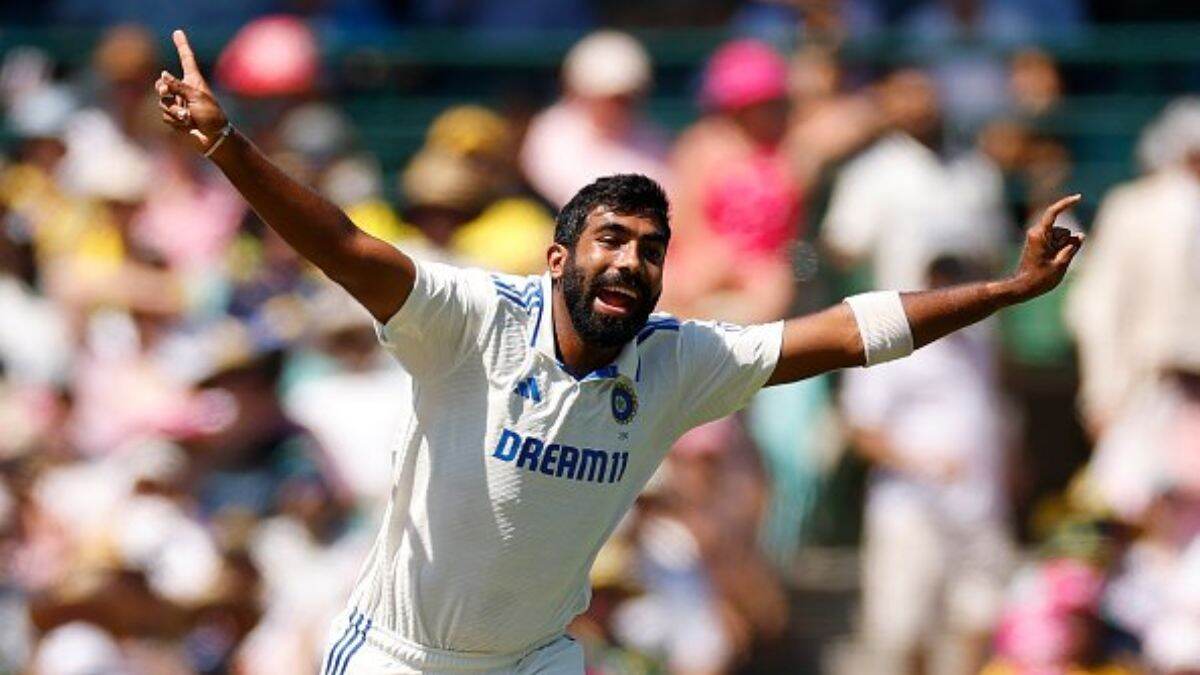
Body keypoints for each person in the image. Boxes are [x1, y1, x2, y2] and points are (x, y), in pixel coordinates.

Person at [155, 29, 1084, 674]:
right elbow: (347, 246)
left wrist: (1008, 288)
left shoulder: (677, 361)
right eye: (610, 240)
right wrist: (229, 143)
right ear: (559, 256)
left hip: (536, 659)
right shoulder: (471, 319)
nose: (631, 261)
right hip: (399, 653)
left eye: (649, 248)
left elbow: (846, 331)